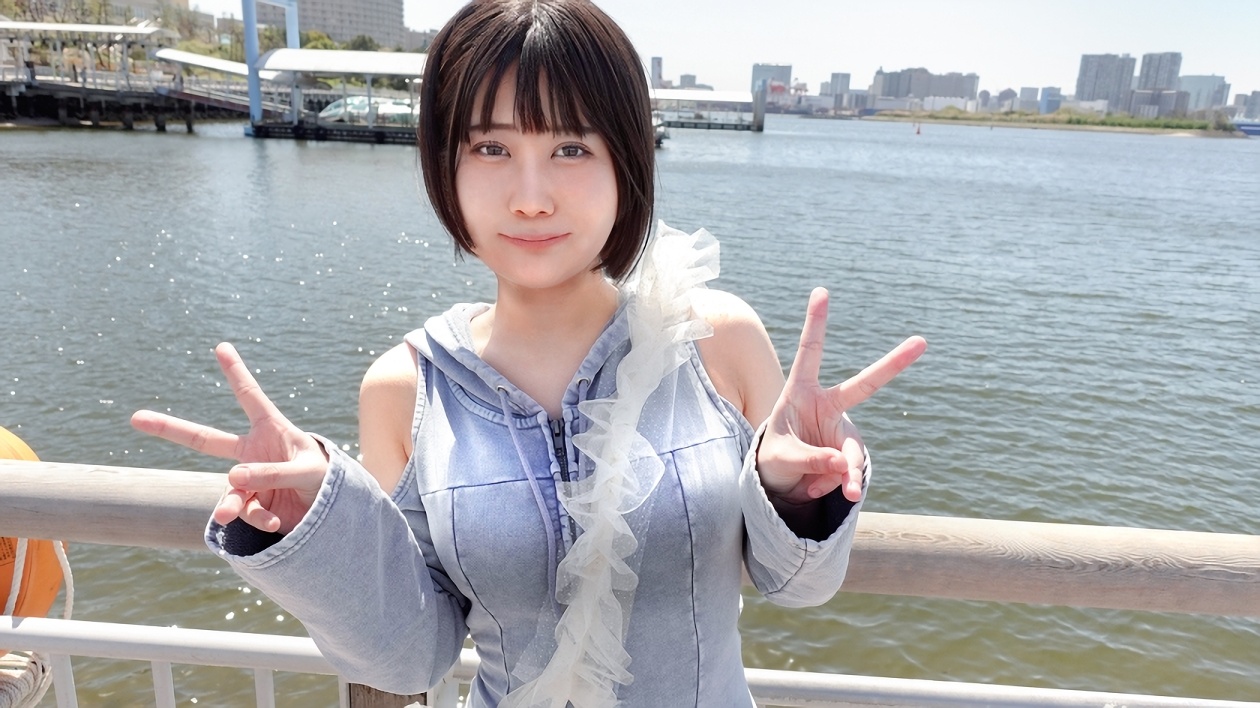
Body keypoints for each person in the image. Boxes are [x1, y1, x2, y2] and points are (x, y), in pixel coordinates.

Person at [131, 1, 926, 706]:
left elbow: (798, 585)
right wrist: (316, 531)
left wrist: (796, 493)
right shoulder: (407, 387)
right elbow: (411, 655)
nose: (531, 196)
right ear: (444, 164)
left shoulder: (714, 341)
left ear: (626, 163)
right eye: (490, 148)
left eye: (572, 148)